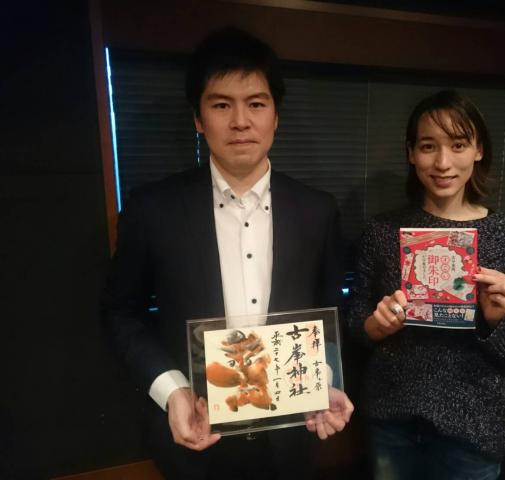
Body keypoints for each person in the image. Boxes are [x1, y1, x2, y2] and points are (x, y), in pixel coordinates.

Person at [102, 27, 353, 480]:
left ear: (276, 115)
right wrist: (172, 391)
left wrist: (325, 381)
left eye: (256, 104)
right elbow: (121, 311)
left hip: (291, 437)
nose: (241, 121)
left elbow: (330, 309)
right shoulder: (152, 208)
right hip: (195, 434)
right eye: (221, 105)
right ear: (198, 118)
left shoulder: (317, 210)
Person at [345, 90, 505, 479]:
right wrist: (375, 325)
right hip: (392, 420)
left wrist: (498, 320)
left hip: (474, 430)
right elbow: (356, 323)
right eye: (428, 146)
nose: (443, 162)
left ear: (479, 150)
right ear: (411, 153)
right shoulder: (382, 231)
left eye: (458, 145)